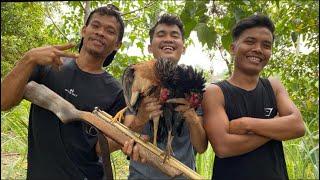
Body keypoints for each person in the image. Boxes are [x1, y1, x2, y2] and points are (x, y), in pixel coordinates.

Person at [1, 4, 142, 180]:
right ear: (84, 30)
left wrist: (132, 136)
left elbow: (101, 146)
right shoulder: (48, 66)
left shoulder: (117, 92)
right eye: (96, 26)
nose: (100, 32)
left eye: (110, 31)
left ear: (117, 44)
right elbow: (3, 101)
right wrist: (28, 59)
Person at [202, 14, 305, 180]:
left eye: (266, 45)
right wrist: (276, 127)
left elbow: (298, 127)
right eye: (250, 41)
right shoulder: (215, 92)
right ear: (233, 48)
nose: (258, 49)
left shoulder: (274, 86)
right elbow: (223, 147)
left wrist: (246, 124)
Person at [123, 14, 208, 179]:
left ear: (183, 47)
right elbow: (125, 136)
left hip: (183, 175)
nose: (168, 39)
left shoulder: (192, 85)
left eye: (174, 35)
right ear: (150, 47)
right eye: (161, 34)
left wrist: (192, 116)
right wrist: (141, 117)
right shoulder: (138, 78)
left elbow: (201, 147)